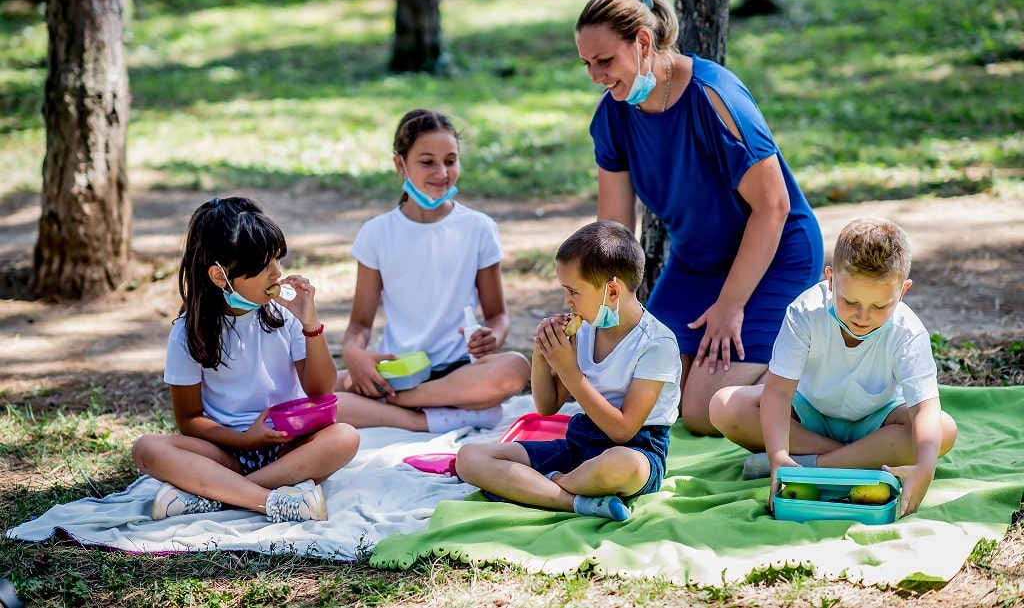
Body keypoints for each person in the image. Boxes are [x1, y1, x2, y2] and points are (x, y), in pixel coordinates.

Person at [574, 0, 824, 436]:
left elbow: (774, 206)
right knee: (648, 388)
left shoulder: (715, 97)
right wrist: (594, 304)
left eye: (605, 61)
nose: (595, 76)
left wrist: (730, 306)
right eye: (587, 64)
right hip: (695, 265)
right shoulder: (612, 114)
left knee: (702, 407)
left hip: (774, 254)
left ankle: (828, 391)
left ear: (644, 43)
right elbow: (613, 229)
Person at [708, 217, 958, 516]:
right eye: (850, 301)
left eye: (880, 306)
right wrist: (777, 455)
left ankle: (809, 466)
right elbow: (777, 393)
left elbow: (925, 409)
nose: (863, 316)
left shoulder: (908, 332)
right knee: (723, 405)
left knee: (942, 430)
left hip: (876, 422)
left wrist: (924, 467)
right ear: (830, 279)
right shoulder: (805, 313)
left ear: (902, 291)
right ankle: (854, 459)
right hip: (809, 414)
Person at [132, 197, 360, 522]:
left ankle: (218, 495)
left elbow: (321, 391)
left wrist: (311, 325)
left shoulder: (286, 315)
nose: (277, 273)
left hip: (288, 447)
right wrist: (244, 439)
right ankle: (269, 499)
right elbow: (189, 419)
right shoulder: (187, 333)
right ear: (220, 276)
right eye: (263, 267)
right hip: (226, 452)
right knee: (147, 448)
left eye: (277, 260)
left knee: (345, 437)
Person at [455, 221, 682, 521]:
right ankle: (576, 502)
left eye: (574, 291)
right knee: (469, 458)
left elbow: (623, 429)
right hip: (581, 442)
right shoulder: (585, 329)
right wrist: (543, 354)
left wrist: (570, 371)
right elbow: (547, 406)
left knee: (621, 465)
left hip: (636, 448)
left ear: (612, 291)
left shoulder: (657, 344)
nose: (567, 302)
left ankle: (543, 487)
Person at [335, 108, 530, 432]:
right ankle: (431, 417)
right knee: (323, 393)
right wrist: (353, 352)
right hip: (398, 371)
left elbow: (498, 316)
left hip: (458, 373)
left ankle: (401, 404)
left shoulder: (478, 228)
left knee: (515, 367)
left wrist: (491, 338)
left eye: (450, 160)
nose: (441, 172)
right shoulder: (376, 233)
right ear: (401, 164)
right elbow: (359, 323)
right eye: (427, 162)